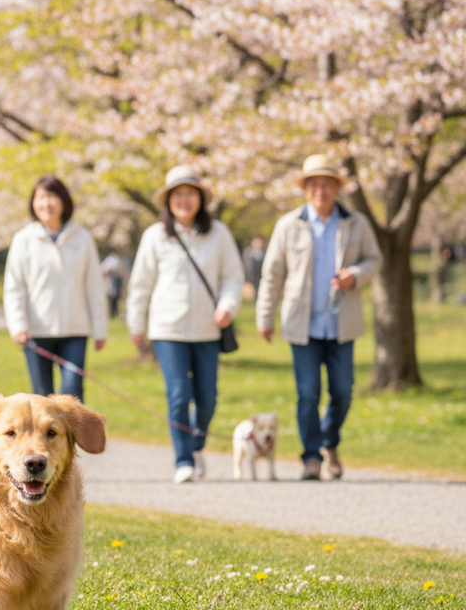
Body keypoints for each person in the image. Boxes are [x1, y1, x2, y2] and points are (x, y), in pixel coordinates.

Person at [256, 154, 381, 481]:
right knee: (308, 392)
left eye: (327, 184)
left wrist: (356, 274)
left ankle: (330, 442)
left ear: (336, 188)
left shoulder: (356, 222)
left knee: (342, 391)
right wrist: (264, 316)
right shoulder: (288, 224)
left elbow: (374, 259)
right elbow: (272, 274)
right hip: (303, 324)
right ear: (306, 188)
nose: (320, 190)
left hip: (342, 323)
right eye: (314, 184)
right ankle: (311, 455)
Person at [126, 166, 244, 484]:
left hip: (208, 328)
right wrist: (136, 324)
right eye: (177, 194)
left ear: (200, 199)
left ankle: (196, 445)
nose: (184, 199)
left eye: (190, 193)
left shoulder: (218, 234)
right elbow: (140, 284)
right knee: (179, 394)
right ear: (168, 200)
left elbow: (233, 276)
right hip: (168, 329)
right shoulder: (155, 236)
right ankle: (183, 460)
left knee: (207, 397)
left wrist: (227, 306)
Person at [3, 175, 108, 403]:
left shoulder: (82, 237)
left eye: (52, 196)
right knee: (41, 398)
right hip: (36, 331)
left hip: (75, 330)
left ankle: (72, 440)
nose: (47, 203)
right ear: (33, 202)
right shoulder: (23, 240)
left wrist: (100, 329)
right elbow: (14, 287)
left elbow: (94, 286)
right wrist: (18, 325)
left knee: (72, 396)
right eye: (41, 197)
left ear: (64, 202)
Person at [100, 251, 126, 318]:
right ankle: (113, 313)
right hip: (112, 281)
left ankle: (114, 312)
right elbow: (105, 270)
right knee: (113, 298)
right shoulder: (111, 260)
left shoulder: (111, 260)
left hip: (115, 280)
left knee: (115, 298)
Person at [242, 236, 266, 300]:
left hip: (260, 275)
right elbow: (247, 265)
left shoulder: (264, 253)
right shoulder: (248, 252)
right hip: (251, 275)